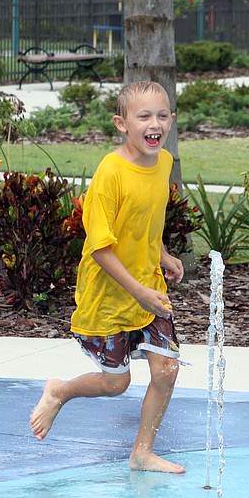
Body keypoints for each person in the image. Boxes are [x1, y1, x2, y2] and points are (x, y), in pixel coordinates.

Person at [30, 80, 186, 474]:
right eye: (144, 116)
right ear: (122, 123)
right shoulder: (110, 173)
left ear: (171, 120)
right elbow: (100, 248)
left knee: (167, 370)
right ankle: (59, 391)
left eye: (162, 115)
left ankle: (142, 453)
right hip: (109, 294)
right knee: (117, 384)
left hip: (147, 286)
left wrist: (162, 254)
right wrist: (138, 292)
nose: (155, 124)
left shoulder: (164, 163)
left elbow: (145, 220)